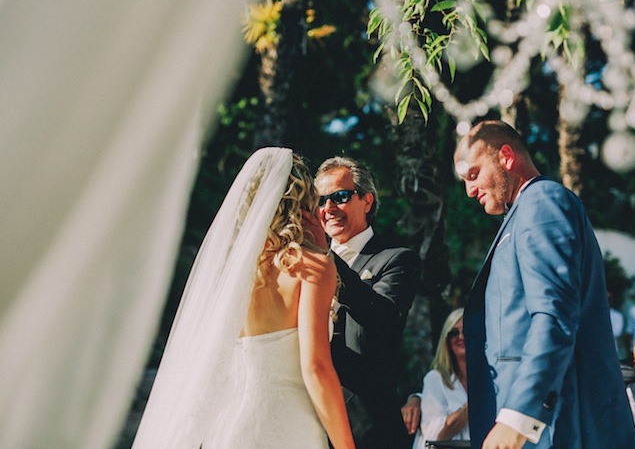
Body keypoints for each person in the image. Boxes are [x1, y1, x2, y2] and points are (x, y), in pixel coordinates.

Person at [133, 148, 355, 448]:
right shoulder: (310, 266)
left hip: (227, 428)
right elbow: (315, 367)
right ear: (301, 203)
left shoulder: (227, 273)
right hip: (287, 426)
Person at [453, 120, 635, 449]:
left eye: (473, 174)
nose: (469, 190)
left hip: (557, 427)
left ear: (506, 157)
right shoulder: (523, 213)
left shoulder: (542, 202)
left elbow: (554, 315)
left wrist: (519, 414)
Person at [302, 155, 421, 448]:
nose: (328, 208)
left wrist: (327, 258)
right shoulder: (302, 265)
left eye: (340, 197)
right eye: (321, 200)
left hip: (368, 427)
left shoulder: (396, 258)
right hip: (307, 420)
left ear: (367, 201)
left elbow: (383, 317)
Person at [412, 308, 470, 449]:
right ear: (447, 340)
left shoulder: (490, 378)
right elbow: (435, 436)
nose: (461, 337)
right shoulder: (436, 379)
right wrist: (472, 404)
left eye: (467, 330)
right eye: (454, 333)